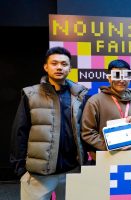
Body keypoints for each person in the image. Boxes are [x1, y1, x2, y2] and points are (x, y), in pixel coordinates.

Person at [10, 46, 88, 200]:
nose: (59, 67)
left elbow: (85, 130)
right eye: (54, 63)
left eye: (64, 64)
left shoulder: (79, 96)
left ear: (70, 68)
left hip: (71, 170)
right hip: (39, 174)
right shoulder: (30, 94)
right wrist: (20, 168)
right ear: (46, 67)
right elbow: (20, 131)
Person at [81, 59, 131, 161]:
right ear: (109, 78)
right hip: (105, 160)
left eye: (125, 76)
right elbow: (87, 133)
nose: (121, 80)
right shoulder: (95, 101)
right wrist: (110, 146)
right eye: (117, 75)